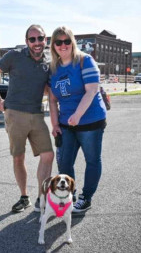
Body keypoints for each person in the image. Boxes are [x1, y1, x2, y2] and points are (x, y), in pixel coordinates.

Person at [0, 24, 54, 213]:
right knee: (18, 157)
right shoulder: (14, 56)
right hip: (15, 114)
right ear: (27, 42)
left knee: (48, 155)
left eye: (40, 38)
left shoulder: (49, 59)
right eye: (32, 39)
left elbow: (49, 87)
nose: (37, 42)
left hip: (37, 114)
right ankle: (24, 197)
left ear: (45, 40)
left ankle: (43, 198)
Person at [48, 26, 107, 213]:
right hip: (66, 124)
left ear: (72, 42)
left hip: (90, 122)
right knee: (64, 163)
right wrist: (55, 123)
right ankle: (68, 197)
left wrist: (78, 115)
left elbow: (92, 90)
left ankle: (86, 198)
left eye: (67, 41)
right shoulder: (53, 69)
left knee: (92, 160)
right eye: (59, 42)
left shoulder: (85, 61)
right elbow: (52, 99)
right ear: (54, 45)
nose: (63, 45)